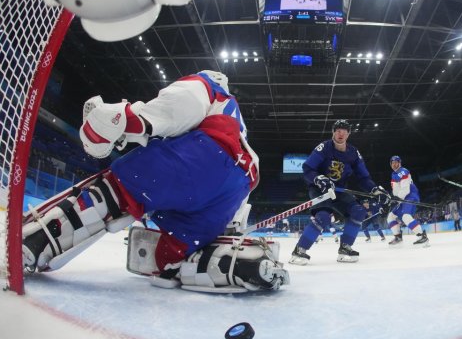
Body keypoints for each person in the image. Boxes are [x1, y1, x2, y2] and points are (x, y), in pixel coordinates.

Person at [21, 70, 289, 292]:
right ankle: (240, 266)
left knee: (118, 190)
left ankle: (33, 243)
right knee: (171, 254)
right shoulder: (238, 120)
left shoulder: (209, 87)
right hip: (237, 188)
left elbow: (180, 106)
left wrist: (133, 120)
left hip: (204, 158)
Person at [289, 119, 390, 265]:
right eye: (337, 130)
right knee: (323, 216)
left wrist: (374, 189)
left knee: (358, 211)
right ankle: (299, 251)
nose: (340, 133)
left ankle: (345, 248)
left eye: (344, 130)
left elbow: (363, 177)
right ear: (333, 132)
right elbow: (307, 169)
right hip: (320, 189)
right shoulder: (324, 147)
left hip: (339, 190)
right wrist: (319, 179)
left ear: (348, 134)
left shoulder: (353, 153)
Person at [387, 155, 429, 246]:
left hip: (410, 196)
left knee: (406, 217)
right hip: (402, 199)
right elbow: (396, 191)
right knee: (391, 216)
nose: (394, 164)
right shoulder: (394, 174)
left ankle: (422, 236)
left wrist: (396, 199)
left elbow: (406, 189)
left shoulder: (403, 171)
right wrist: (392, 198)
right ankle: (398, 237)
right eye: (392, 163)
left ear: (399, 163)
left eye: (396, 162)